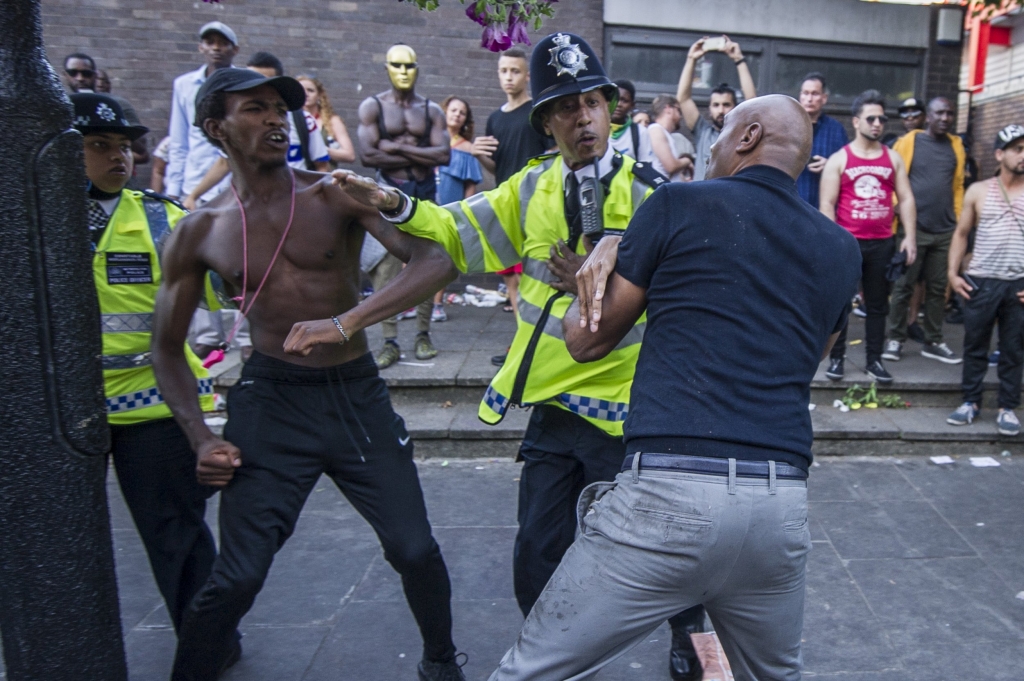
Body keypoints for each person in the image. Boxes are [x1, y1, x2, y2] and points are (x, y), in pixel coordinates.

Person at [333, 32, 708, 681]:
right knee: (535, 552)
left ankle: (691, 633)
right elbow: (457, 230)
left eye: (591, 102)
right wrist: (393, 201)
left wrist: (616, 266)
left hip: (635, 408)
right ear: (546, 122)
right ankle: (549, 654)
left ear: (610, 109)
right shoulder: (530, 188)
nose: (582, 117)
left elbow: (692, 287)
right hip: (554, 405)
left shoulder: (656, 193)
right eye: (565, 107)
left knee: (669, 546)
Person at [484, 94, 860, 681]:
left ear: (748, 136)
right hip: (778, 508)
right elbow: (806, 360)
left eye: (719, 133)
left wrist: (608, 251)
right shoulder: (842, 248)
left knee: (529, 671)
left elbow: (586, 341)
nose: (709, 147)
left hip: (668, 497)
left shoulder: (675, 203)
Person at [150, 67, 466, 681]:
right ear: (216, 128)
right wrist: (201, 438)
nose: (275, 118)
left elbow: (435, 261)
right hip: (270, 401)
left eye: (280, 108)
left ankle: (440, 663)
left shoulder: (334, 193)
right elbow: (164, 348)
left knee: (414, 548)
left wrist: (346, 321)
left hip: (354, 396)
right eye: (256, 108)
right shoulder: (199, 230)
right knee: (237, 576)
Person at [70, 92, 221, 649]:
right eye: (97, 146)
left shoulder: (163, 217)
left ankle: (210, 645)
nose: (119, 157)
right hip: (61, 411)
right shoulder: (25, 219)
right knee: (56, 541)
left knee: (176, 537)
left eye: (124, 146)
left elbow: (231, 278)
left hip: (151, 405)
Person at [357, 43, 449, 368]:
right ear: (386, 68)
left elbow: (444, 155)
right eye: (396, 65)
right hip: (388, 192)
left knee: (429, 264)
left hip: (423, 193)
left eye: (409, 65)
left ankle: (423, 334)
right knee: (385, 269)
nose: (403, 72)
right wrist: (418, 151)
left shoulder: (431, 110)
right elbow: (367, 156)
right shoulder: (374, 107)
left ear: (418, 68)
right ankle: (390, 340)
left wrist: (392, 145)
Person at [819, 90, 917, 384]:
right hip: (849, 243)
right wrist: (833, 243)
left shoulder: (893, 158)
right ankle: (836, 358)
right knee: (841, 302)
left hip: (882, 243)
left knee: (877, 305)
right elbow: (826, 204)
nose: (877, 123)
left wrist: (909, 237)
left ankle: (874, 360)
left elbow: (907, 199)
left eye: (881, 118)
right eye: (870, 118)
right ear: (856, 121)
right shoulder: (840, 159)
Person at [473, 47, 556, 343]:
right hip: (505, 206)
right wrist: (479, 155)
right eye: (504, 71)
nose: (509, 77)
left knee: (532, 277)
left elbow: (554, 153)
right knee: (511, 277)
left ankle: (535, 341)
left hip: (535, 207)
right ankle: (523, 342)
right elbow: (498, 168)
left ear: (527, 75)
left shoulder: (538, 113)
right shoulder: (495, 119)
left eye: (515, 71)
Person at [946, 124, 1024, 434]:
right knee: (975, 345)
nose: (1023, 155)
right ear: (999, 154)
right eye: (1017, 149)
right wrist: (953, 275)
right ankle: (970, 402)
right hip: (981, 280)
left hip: (1017, 282)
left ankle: (1007, 407)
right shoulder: (978, 190)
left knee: (1014, 348)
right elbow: (961, 233)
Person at [883, 97, 966, 365]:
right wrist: (895, 205)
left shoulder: (956, 146)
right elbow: (892, 176)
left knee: (938, 288)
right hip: (913, 229)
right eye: (940, 113)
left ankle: (934, 340)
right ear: (927, 117)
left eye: (949, 113)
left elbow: (958, 185)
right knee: (904, 285)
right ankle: (895, 338)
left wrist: (959, 219)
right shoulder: (909, 142)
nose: (945, 118)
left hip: (945, 230)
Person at [166, 21, 239, 204]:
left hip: (236, 187)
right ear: (201, 47)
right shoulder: (184, 85)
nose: (216, 48)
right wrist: (173, 190)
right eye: (210, 42)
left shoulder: (244, 83)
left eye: (223, 43)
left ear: (234, 49)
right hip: (194, 186)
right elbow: (179, 140)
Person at [676, 35, 757, 181]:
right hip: (701, 200)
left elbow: (753, 103)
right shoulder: (702, 131)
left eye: (726, 105)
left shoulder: (742, 133)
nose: (721, 110)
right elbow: (683, 99)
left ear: (735, 107)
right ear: (710, 108)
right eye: (716, 105)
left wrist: (739, 59)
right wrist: (691, 59)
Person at [434, 95, 484, 322]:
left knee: (442, 257)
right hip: (426, 205)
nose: (457, 115)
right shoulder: (431, 141)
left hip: (449, 213)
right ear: (444, 112)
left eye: (462, 112)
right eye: (453, 110)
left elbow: (470, 186)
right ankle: (412, 305)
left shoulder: (467, 149)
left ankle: (437, 304)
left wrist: (463, 214)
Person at [63, 53, 149, 166]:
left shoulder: (117, 104)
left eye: (86, 73)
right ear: (65, 75)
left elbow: (142, 151)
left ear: (95, 75)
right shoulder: (61, 106)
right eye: (73, 73)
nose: (80, 78)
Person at [796, 73, 849, 207]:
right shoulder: (788, 126)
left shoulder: (837, 130)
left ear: (824, 98)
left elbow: (849, 169)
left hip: (824, 209)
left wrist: (830, 166)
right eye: (805, 93)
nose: (809, 99)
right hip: (793, 204)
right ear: (800, 96)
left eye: (815, 94)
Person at [297, 74, 357, 166]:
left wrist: (319, 148)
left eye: (310, 90)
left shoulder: (332, 120)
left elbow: (350, 155)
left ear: (319, 95)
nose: (305, 94)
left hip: (325, 176)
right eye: (300, 91)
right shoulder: (289, 117)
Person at [648, 95, 695, 182]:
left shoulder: (663, 133)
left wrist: (684, 181)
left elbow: (668, 172)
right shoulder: (656, 130)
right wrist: (687, 160)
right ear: (668, 109)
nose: (681, 116)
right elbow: (671, 166)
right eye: (678, 110)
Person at [608, 79, 653, 163]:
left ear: (632, 105)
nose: (618, 104)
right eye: (615, 99)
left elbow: (645, 166)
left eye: (624, 100)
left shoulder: (640, 132)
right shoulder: (594, 128)